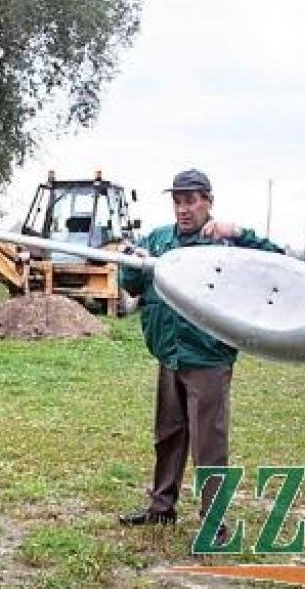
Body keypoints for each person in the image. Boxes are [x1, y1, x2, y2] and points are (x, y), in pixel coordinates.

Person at [118, 169, 283, 546]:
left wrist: (238, 232)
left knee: (209, 444)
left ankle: (215, 524)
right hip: (169, 354)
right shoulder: (159, 240)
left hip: (207, 358)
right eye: (177, 200)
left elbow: (277, 265)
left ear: (208, 201)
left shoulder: (225, 244)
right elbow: (132, 284)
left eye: (191, 200)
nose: (183, 208)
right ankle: (161, 509)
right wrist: (129, 262)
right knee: (168, 435)